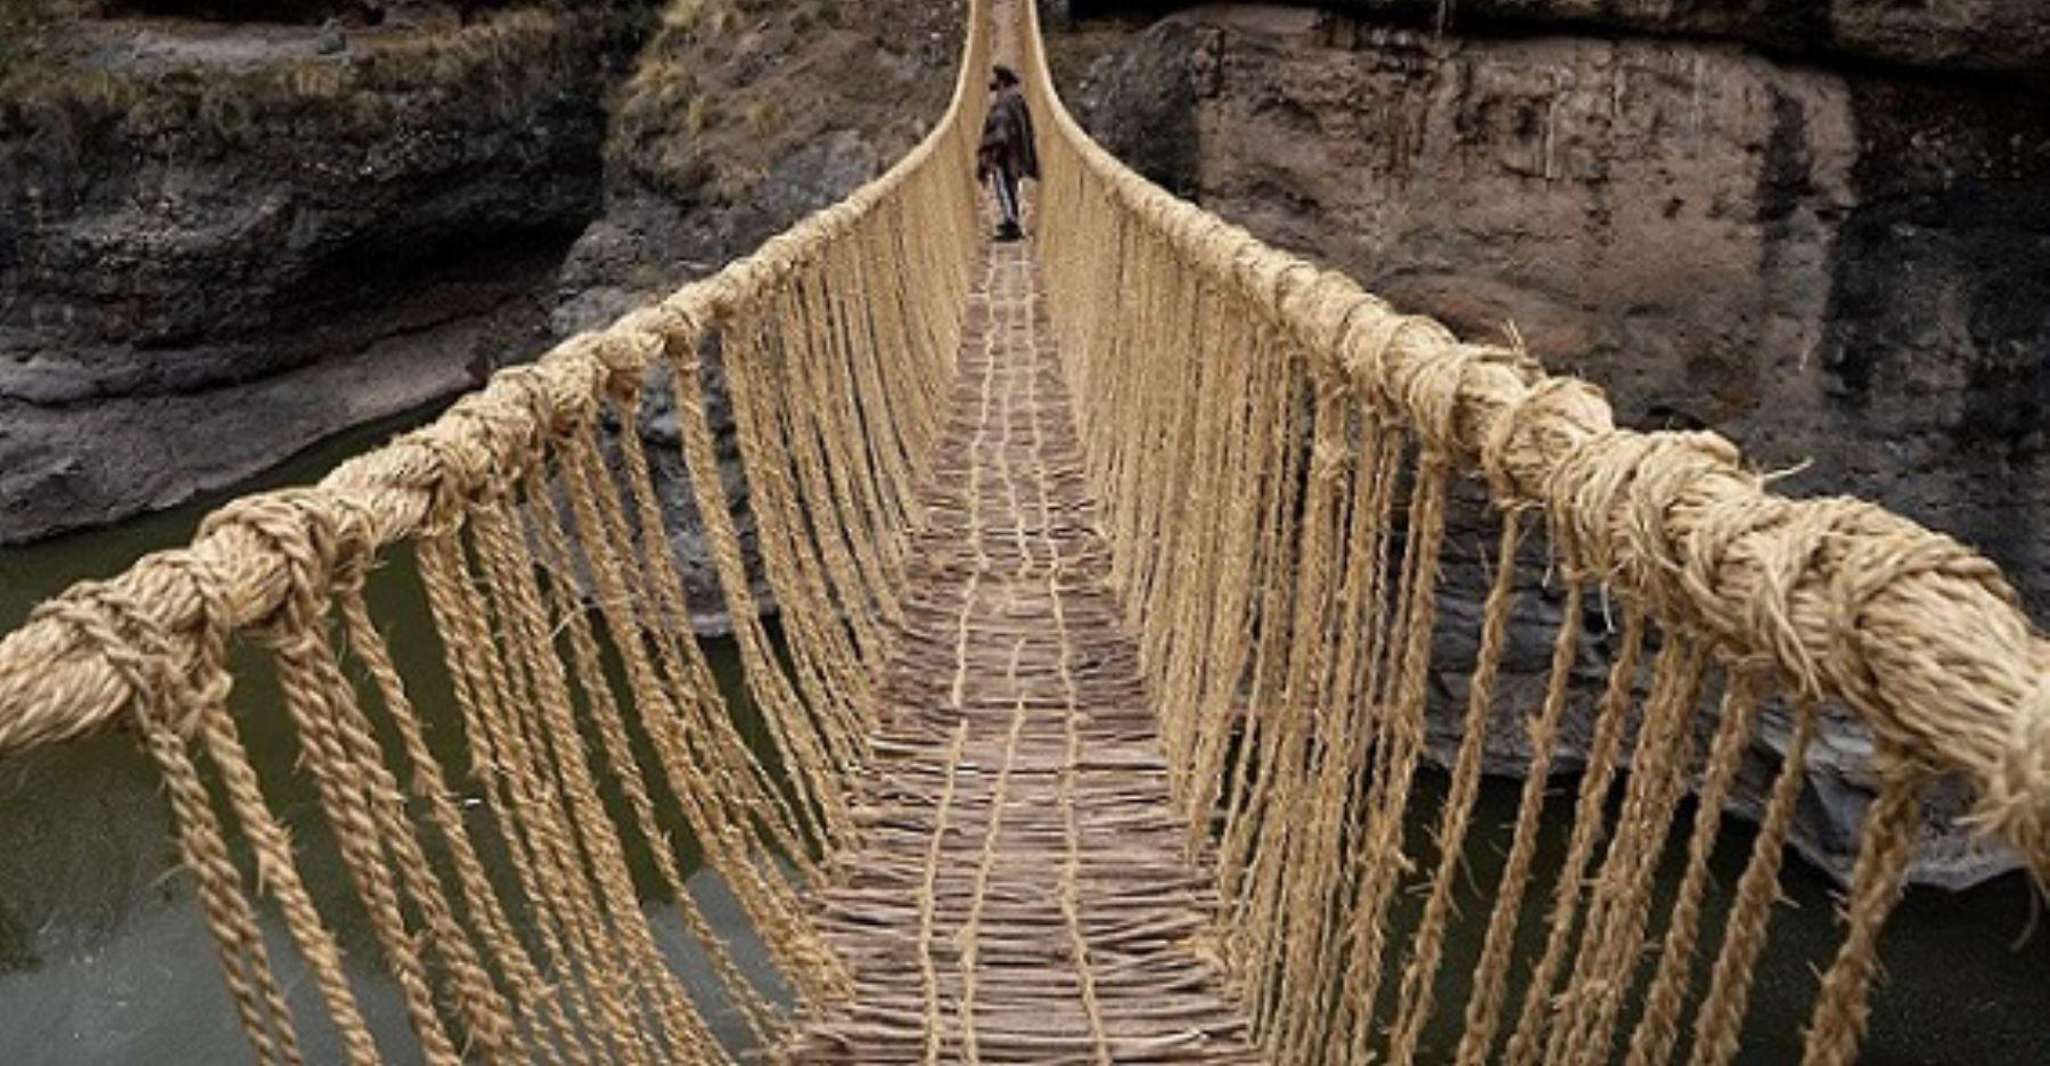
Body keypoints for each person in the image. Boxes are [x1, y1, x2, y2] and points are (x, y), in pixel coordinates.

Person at [977, 65, 1038, 242]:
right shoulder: (1017, 100)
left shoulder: (1003, 104)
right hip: (1018, 153)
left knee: (1003, 188)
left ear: (1002, 83)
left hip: (1006, 156)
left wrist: (990, 155)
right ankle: (1010, 221)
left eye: (996, 81)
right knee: (1011, 188)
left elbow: (1001, 134)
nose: (993, 85)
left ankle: (1012, 225)